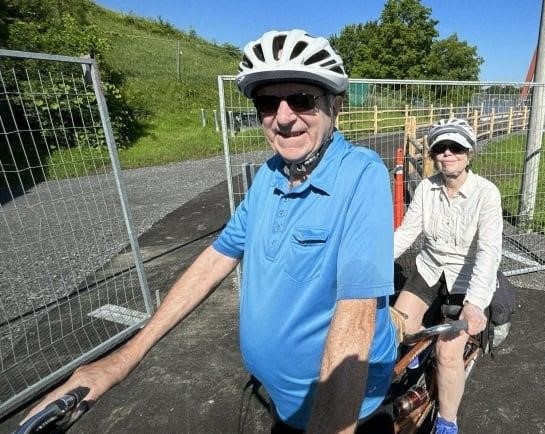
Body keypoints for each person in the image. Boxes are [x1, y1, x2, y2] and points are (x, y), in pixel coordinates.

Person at [22, 29, 397, 433]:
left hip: (339, 408)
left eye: (302, 100)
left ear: (335, 106)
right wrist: (122, 360)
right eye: (268, 103)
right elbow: (217, 257)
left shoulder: (362, 174)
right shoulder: (270, 175)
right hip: (281, 396)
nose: (283, 118)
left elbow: (355, 317)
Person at [393, 118, 503, 434]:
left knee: (448, 354)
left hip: (467, 278)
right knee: (400, 326)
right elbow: (405, 235)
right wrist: (367, 266)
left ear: (469, 153)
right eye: (440, 148)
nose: (447, 154)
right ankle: (418, 356)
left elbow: (488, 252)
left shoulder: (486, 194)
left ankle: (447, 420)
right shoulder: (427, 189)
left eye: (455, 147)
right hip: (430, 269)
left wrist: (475, 304)